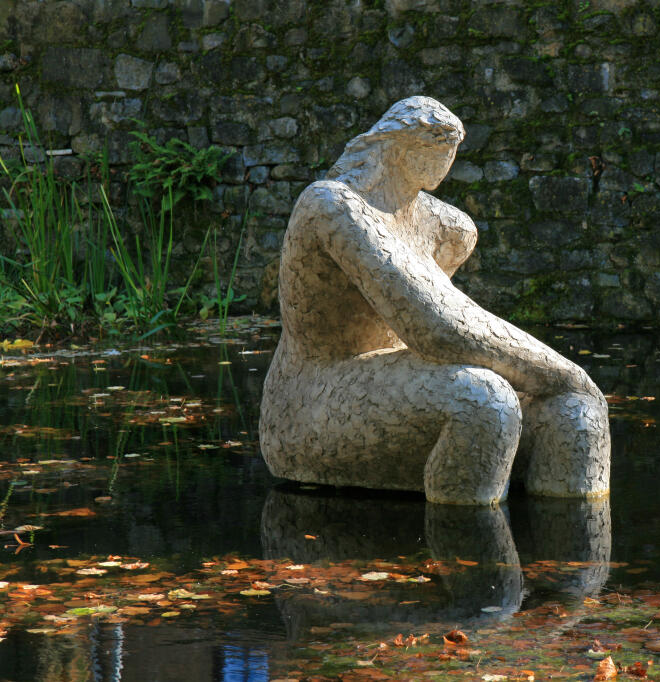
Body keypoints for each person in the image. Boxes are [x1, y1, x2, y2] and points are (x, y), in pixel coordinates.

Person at [259, 96, 609, 505]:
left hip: (392, 383)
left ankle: (568, 563)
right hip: (313, 401)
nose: (447, 159)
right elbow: (434, 328)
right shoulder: (333, 206)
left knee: (575, 416)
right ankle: (469, 552)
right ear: (401, 147)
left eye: (450, 148)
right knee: (484, 402)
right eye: (437, 146)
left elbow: (454, 320)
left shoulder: (449, 228)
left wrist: (570, 386)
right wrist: (568, 371)